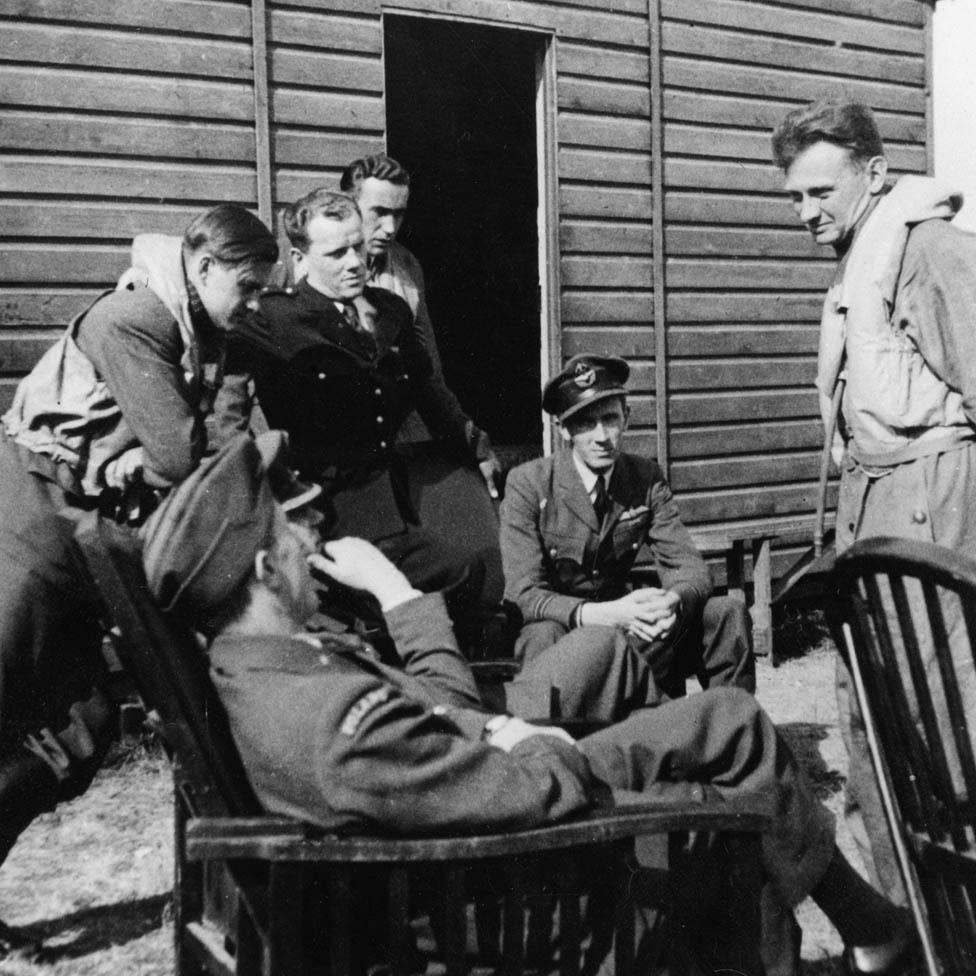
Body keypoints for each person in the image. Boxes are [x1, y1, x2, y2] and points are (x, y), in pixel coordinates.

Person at [141, 434, 917, 974]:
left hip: (471, 824)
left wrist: (424, 629)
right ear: (265, 572)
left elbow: (435, 724)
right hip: (505, 900)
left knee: (724, 733)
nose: (310, 539)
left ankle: (874, 931)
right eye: (292, 530)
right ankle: (876, 932)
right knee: (723, 819)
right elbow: (533, 790)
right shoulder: (327, 725)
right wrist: (524, 735)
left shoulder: (270, 667)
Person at [0, 205, 278, 958]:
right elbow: (186, 456)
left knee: (83, 728)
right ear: (202, 266)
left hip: (90, 542)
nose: (254, 306)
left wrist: (144, 453)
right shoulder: (134, 318)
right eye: (246, 288)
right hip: (27, 523)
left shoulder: (207, 337)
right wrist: (152, 451)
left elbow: (211, 446)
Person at [773, 97, 976, 913]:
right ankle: (905, 926)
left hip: (930, 500)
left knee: (944, 715)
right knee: (871, 709)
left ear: (875, 174)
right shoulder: (861, 251)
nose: (806, 212)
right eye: (794, 196)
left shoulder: (927, 247)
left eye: (821, 192)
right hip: (870, 498)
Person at [218, 189, 490, 641]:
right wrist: (260, 496)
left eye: (358, 247)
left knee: (467, 572)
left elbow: (430, 392)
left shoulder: (391, 312)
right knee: (435, 588)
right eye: (337, 252)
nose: (354, 262)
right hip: (324, 514)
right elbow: (228, 414)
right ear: (300, 256)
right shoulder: (271, 319)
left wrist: (475, 445)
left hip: (395, 508)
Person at [500, 354, 754, 700]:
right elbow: (524, 595)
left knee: (725, 612)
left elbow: (690, 567)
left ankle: (731, 730)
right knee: (540, 636)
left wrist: (670, 601)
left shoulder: (645, 478)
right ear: (563, 430)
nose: (601, 436)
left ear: (627, 419)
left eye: (610, 419)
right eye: (585, 424)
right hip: (566, 627)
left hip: (631, 622)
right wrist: (607, 614)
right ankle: (558, 744)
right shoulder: (529, 483)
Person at [339, 152, 501, 495]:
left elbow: (428, 370)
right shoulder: (303, 265)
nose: (391, 228)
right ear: (348, 207)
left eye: (399, 215)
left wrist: (473, 441)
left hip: (398, 442)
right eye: (379, 213)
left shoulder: (406, 267)